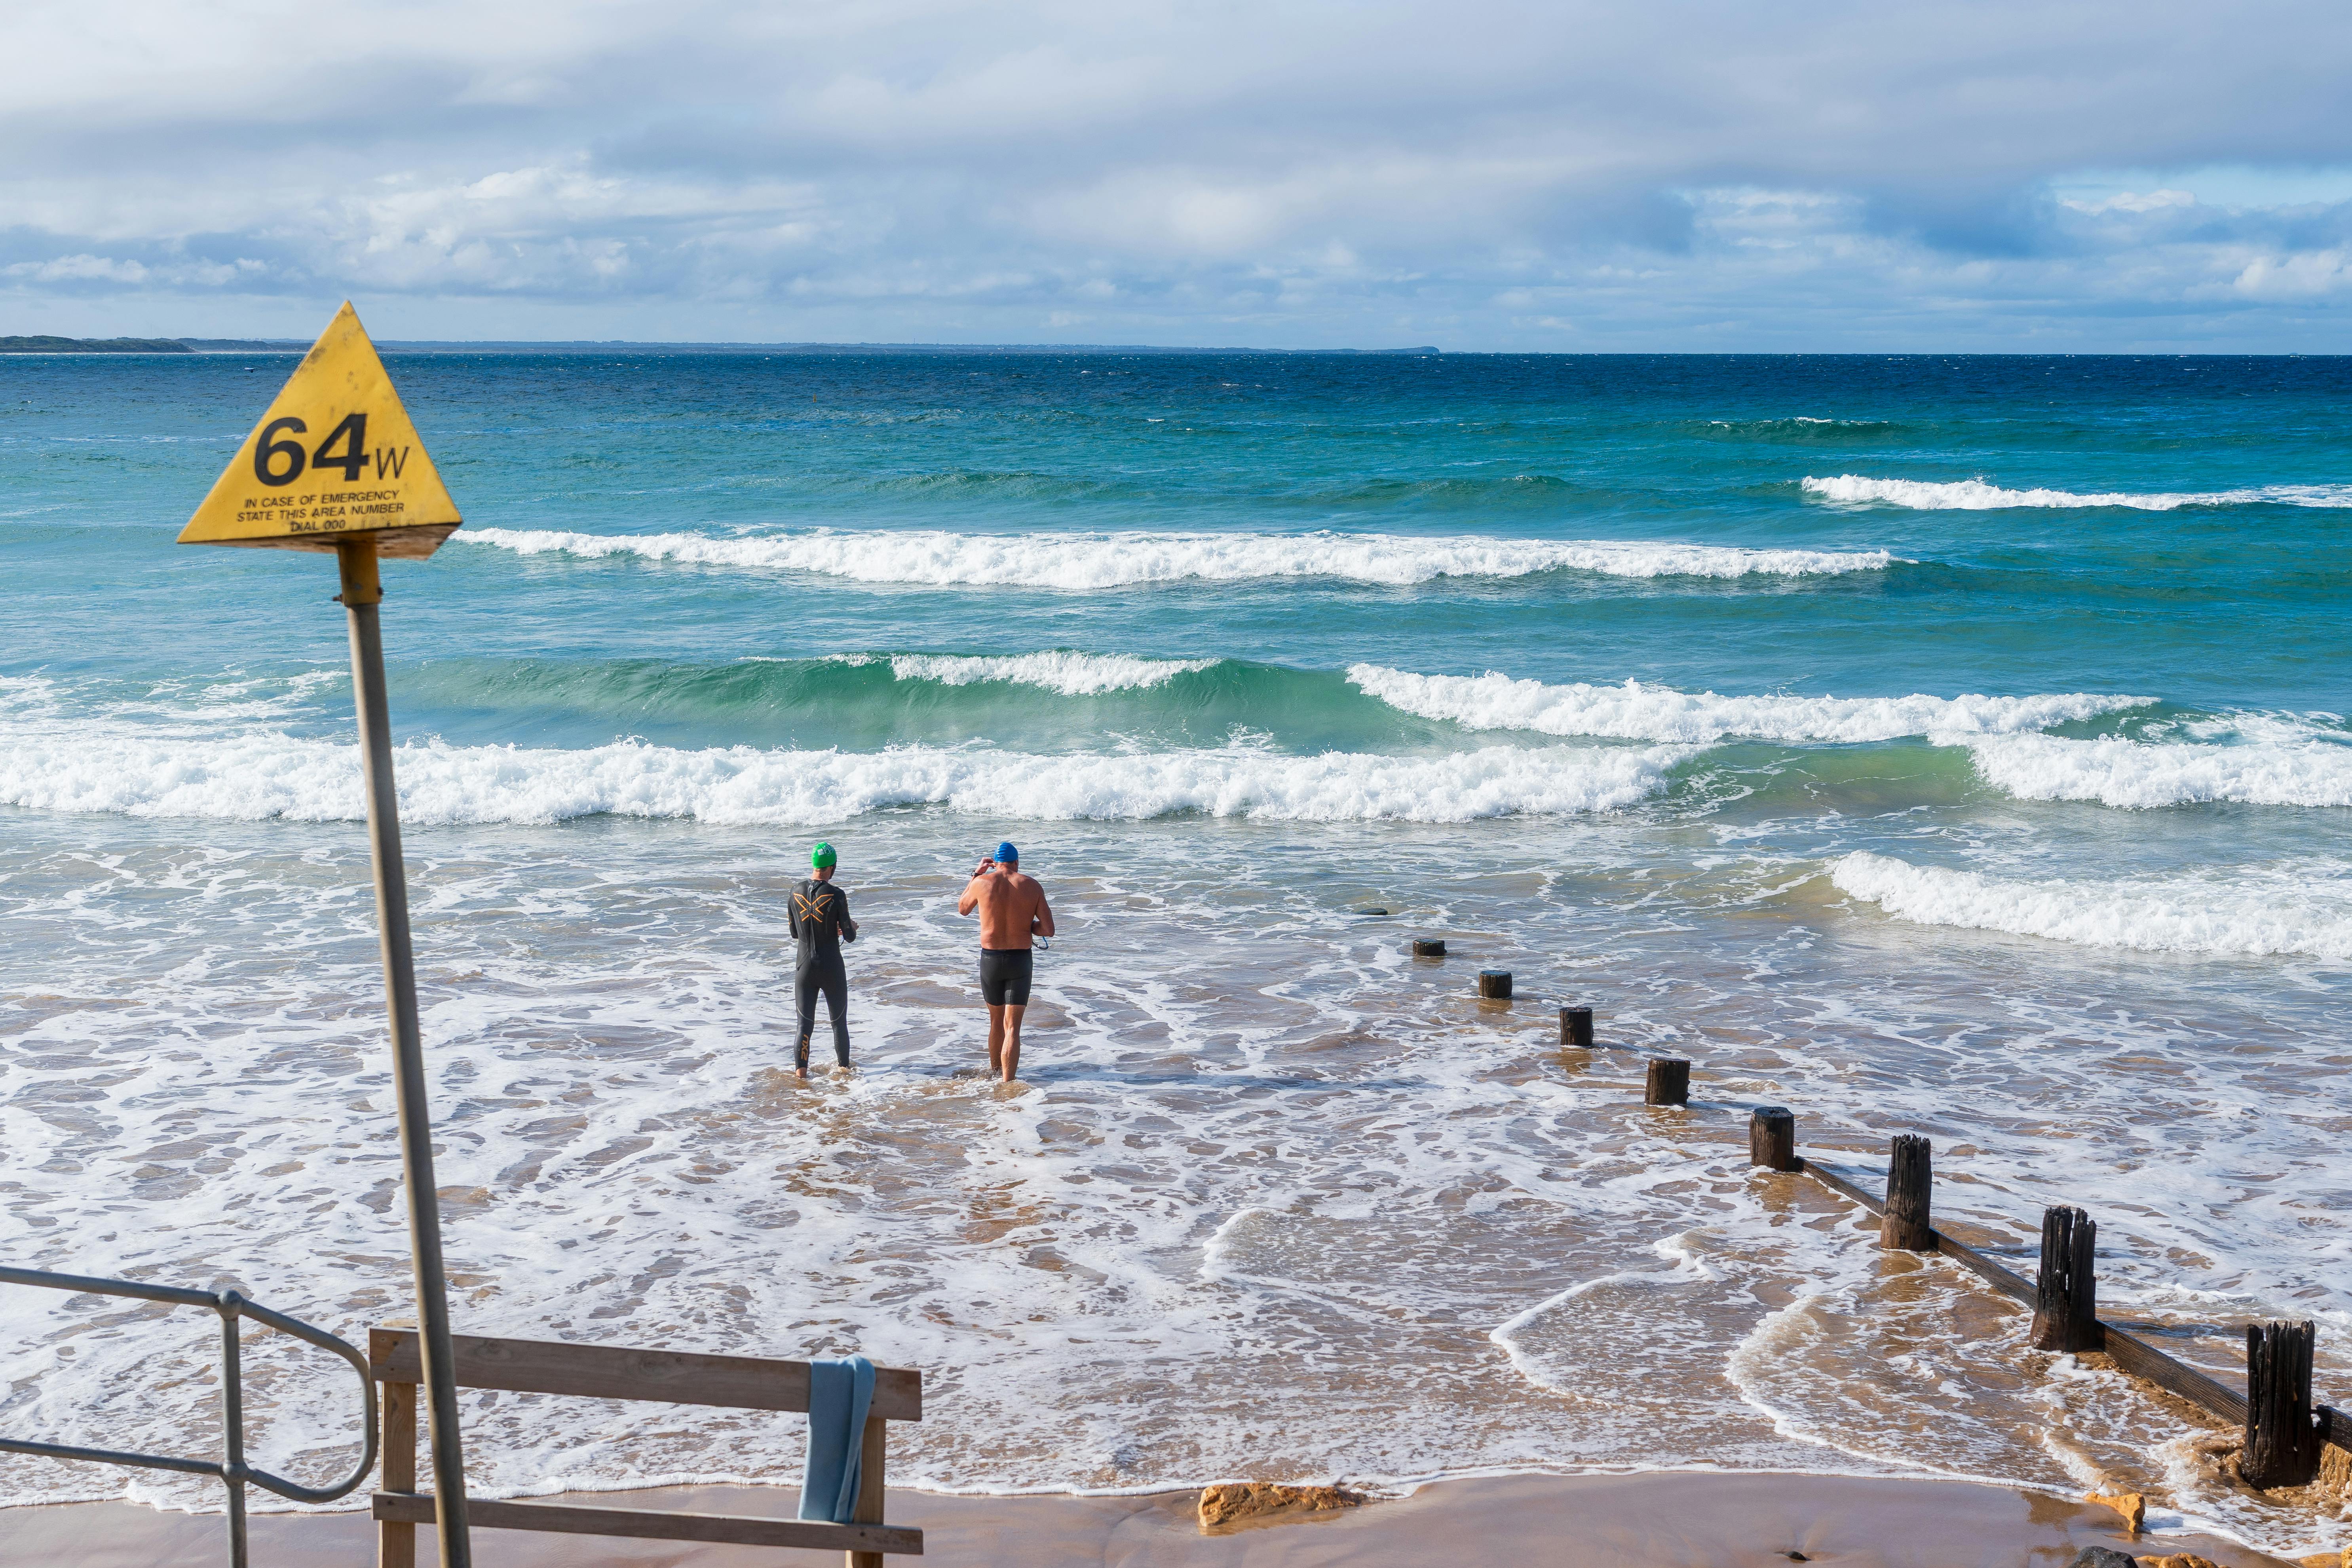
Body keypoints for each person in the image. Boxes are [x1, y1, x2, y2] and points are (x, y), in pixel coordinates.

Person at [956, 840, 1054, 1083]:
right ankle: (1008, 1084)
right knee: (1013, 1028)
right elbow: (1048, 930)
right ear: (1016, 862)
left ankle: (995, 1075)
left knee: (996, 1023)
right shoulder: (1031, 885)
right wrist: (1027, 926)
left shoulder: (981, 882)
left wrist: (976, 874)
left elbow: (963, 909)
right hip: (1020, 961)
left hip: (991, 960)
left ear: (995, 864)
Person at [788, 841, 858, 1078]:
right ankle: (845, 1075)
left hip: (804, 967)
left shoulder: (794, 891)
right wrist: (850, 926)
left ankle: (801, 1077)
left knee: (804, 1024)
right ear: (833, 867)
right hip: (831, 967)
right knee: (838, 1023)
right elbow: (849, 936)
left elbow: (795, 933)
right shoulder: (837, 894)